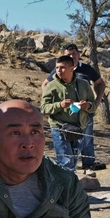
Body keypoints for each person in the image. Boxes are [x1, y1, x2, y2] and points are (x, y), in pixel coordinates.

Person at [42, 43, 106, 171]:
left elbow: (100, 85)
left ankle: (88, 164)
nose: (59, 71)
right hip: (60, 125)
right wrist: (59, 104)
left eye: (74, 54)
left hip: (81, 121)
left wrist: (91, 105)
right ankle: (66, 188)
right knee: (66, 162)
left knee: (84, 145)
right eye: (57, 68)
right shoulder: (53, 82)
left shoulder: (84, 77)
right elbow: (44, 107)